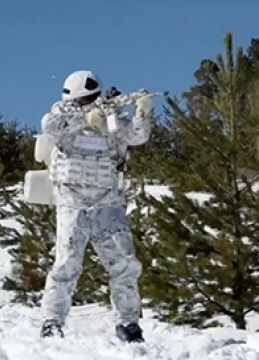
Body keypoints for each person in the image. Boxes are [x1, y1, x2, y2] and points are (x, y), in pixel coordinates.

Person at [35, 70, 153, 343]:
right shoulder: (59, 116)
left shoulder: (110, 120)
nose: (90, 102)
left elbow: (136, 136)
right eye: (85, 99)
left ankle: (128, 323)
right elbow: (50, 128)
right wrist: (84, 118)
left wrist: (141, 111)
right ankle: (52, 321)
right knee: (66, 264)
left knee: (125, 264)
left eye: (93, 98)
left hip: (107, 204)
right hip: (72, 203)